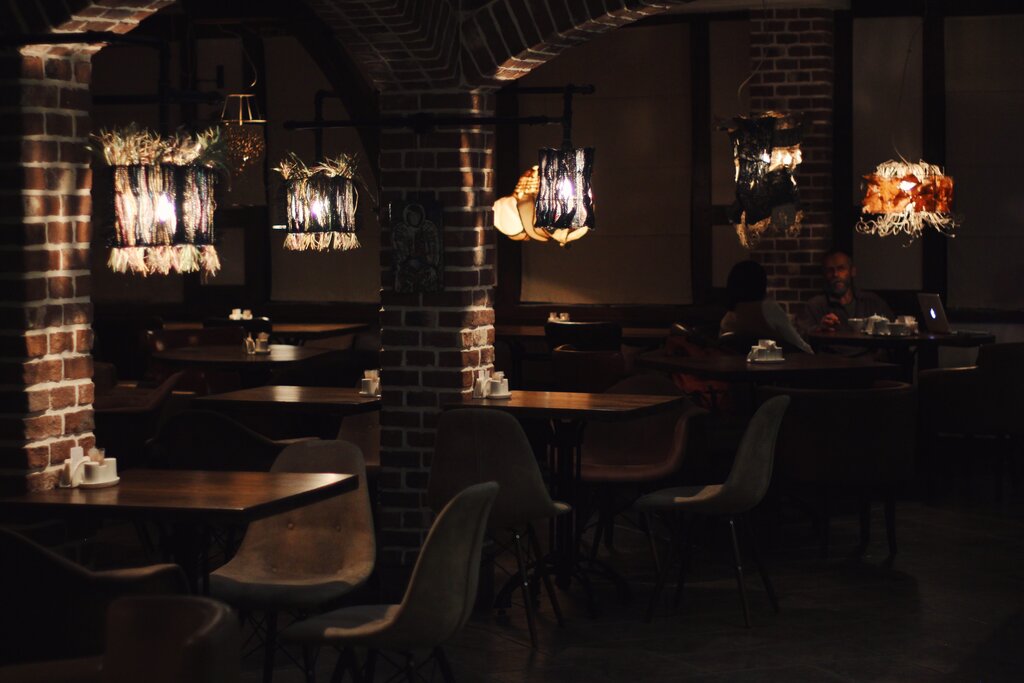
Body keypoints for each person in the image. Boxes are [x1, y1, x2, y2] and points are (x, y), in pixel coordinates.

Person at [719, 260, 813, 353]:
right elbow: (797, 343)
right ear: (760, 283)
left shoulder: (728, 318)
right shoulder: (768, 308)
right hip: (775, 362)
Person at [799, 249, 893, 334]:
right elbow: (801, 336)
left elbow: (892, 330)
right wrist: (820, 329)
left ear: (852, 271)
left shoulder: (872, 302)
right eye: (830, 270)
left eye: (841, 268)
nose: (835, 274)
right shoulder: (815, 305)